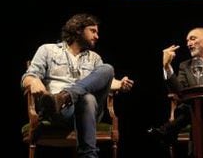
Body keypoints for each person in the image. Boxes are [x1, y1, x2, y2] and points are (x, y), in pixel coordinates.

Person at [21, 13, 134, 158]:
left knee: (107, 69)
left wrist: (120, 83)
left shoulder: (94, 58)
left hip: (89, 111)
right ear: (78, 30)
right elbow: (27, 77)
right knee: (88, 98)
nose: (97, 36)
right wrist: (34, 81)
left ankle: (65, 96)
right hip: (58, 110)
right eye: (93, 31)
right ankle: (89, 155)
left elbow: (106, 81)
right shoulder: (48, 50)